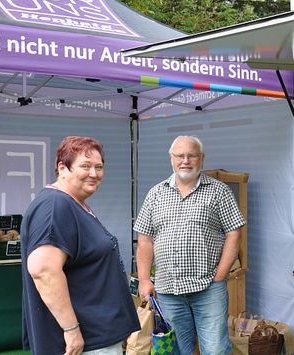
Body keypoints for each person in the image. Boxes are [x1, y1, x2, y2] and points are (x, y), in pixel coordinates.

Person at [21, 136, 139, 355]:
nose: (94, 173)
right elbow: (43, 270)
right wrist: (72, 330)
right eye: (85, 166)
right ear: (62, 168)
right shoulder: (55, 206)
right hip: (85, 342)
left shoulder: (74, 204)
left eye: (99, 167)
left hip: (97, 336)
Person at [135, 135, 245, 355]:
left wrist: (220, 276)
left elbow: (235, 233)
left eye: (191, 155)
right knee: (178, 350)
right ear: (171, 159)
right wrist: (145, 279)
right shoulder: (156, 194)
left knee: (215, 350)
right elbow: (145, 239)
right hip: (168, 291)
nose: (185, 160)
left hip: (208, 288)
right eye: (179, 156)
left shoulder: (219, 191)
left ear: (201, 158)